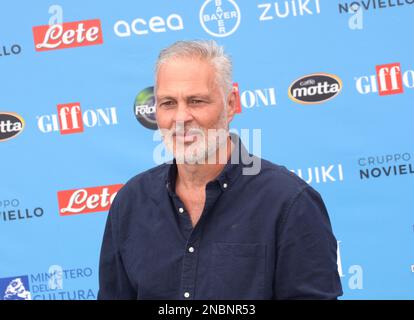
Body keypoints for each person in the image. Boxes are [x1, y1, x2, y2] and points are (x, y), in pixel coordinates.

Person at [98, 40, 343, 300]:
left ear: (231, 104)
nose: (181, 118)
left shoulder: (289, 202)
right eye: (168, 103)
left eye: (196, 101)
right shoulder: (131, 202)